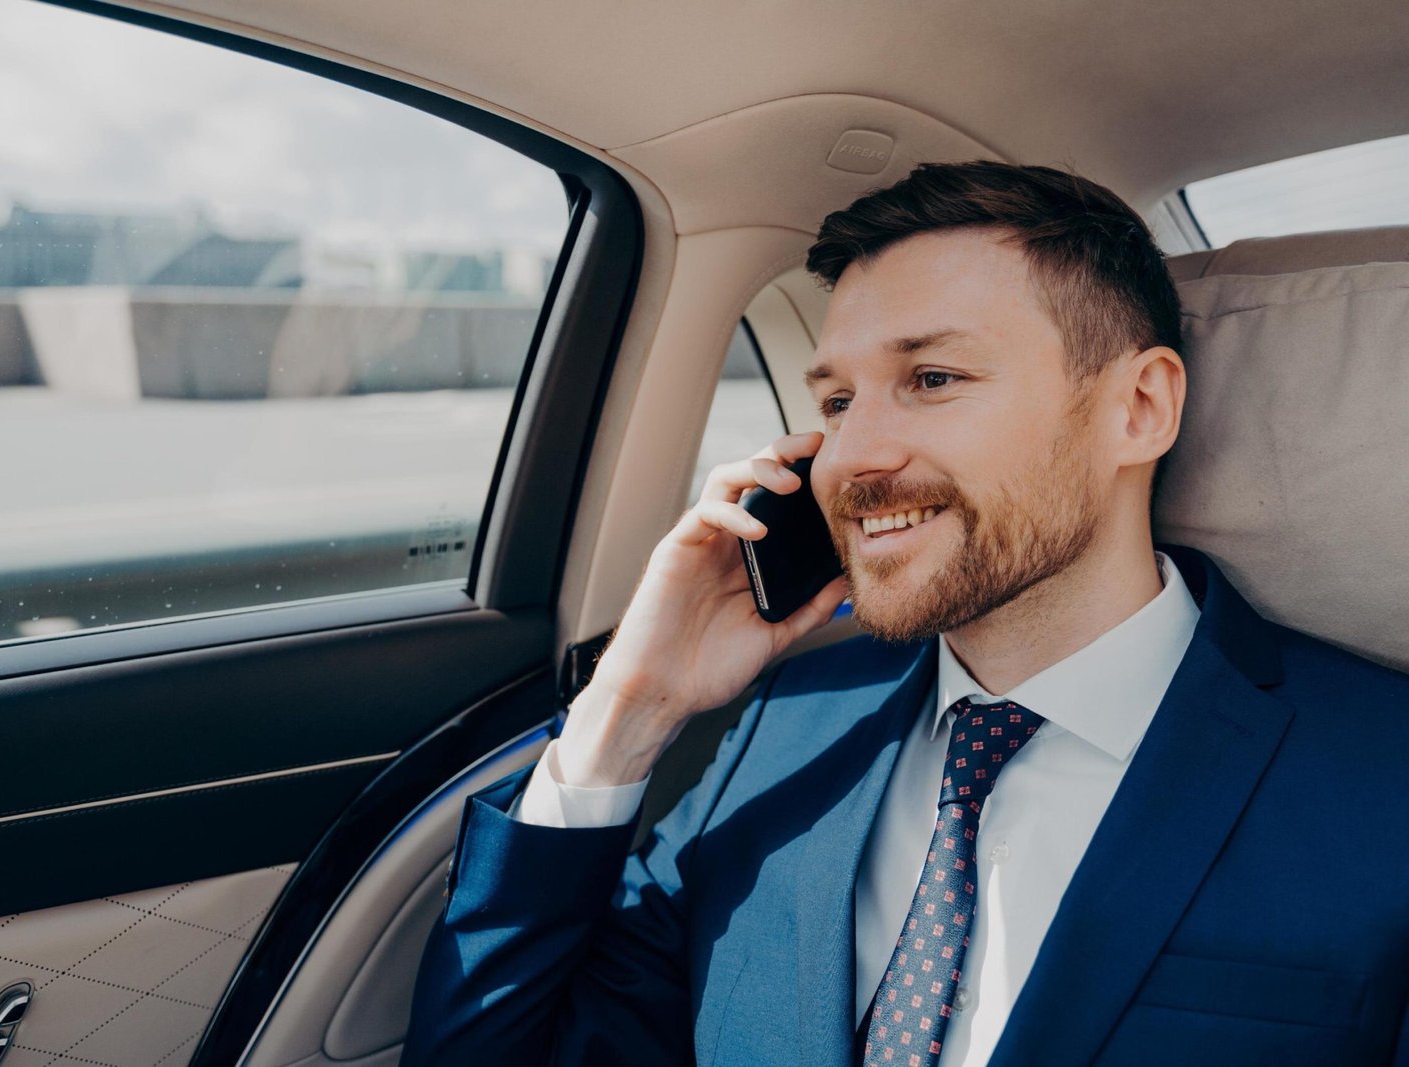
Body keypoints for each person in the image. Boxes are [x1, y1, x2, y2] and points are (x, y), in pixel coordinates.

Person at [401, 161, 1409, 1066]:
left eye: (932, 378)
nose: (852, 456)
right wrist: (626, 710)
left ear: (1138, 407)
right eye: (836, 402)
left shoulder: (1381, 777)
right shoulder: (787, 726)